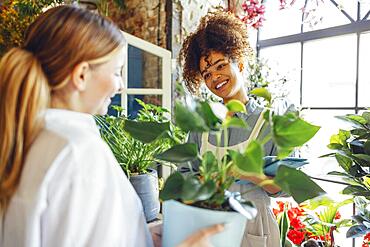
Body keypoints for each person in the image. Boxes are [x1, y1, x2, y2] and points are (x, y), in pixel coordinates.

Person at [0, 5, 223, 247]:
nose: (121, 86)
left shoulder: (29, 136)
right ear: (82, 75)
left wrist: (140, 235)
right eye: (117, 72)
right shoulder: (77, 150)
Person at [180, 10, 294, 247]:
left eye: (221, 65)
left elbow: (288, 187)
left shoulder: (270, 123)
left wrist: (248, 174)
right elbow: (184, 175)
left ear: (240, 64)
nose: (215, 78)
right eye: (207, 73)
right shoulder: (201, 123)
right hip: (208, 228)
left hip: (255, 230)